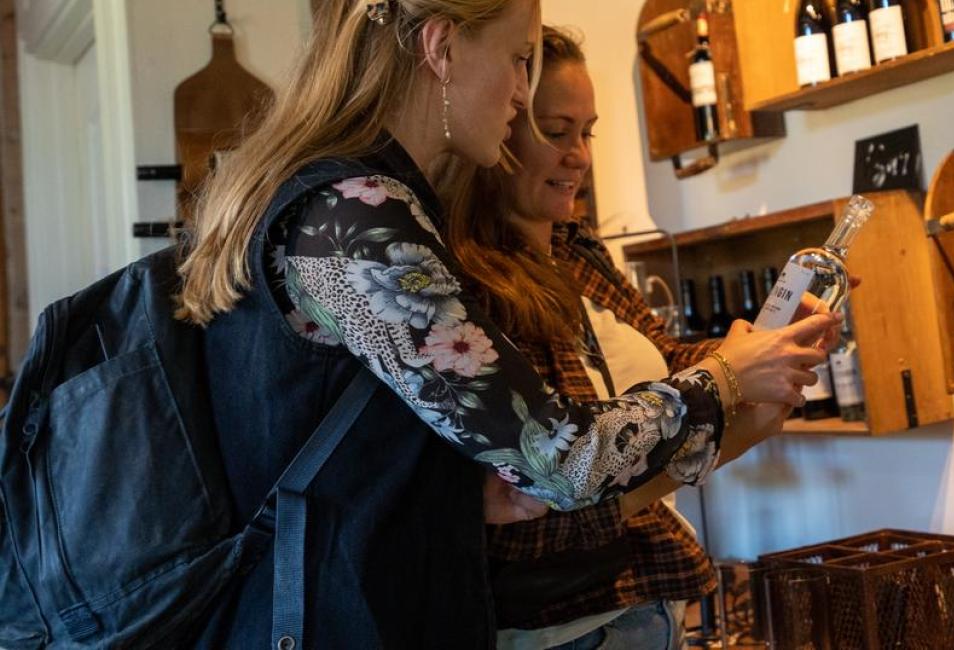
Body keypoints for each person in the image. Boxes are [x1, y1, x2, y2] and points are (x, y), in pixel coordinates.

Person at [173, 1, 833, 645]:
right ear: (441, 46)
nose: (522, 92)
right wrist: (724, 376)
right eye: (519, 59)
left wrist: (471, 492)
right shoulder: (357, 216)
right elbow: (561, 462)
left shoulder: (358, 204)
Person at [443, 27, 753, 649]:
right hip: (561, 629)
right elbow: (535, 507)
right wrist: (726, 395)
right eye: (556, 132)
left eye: (588, 132)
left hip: (647, 598)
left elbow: (665, 360)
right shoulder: (469, 286)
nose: (579, 155)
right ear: (499, 129)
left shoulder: (576, 251)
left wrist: (758, 344)